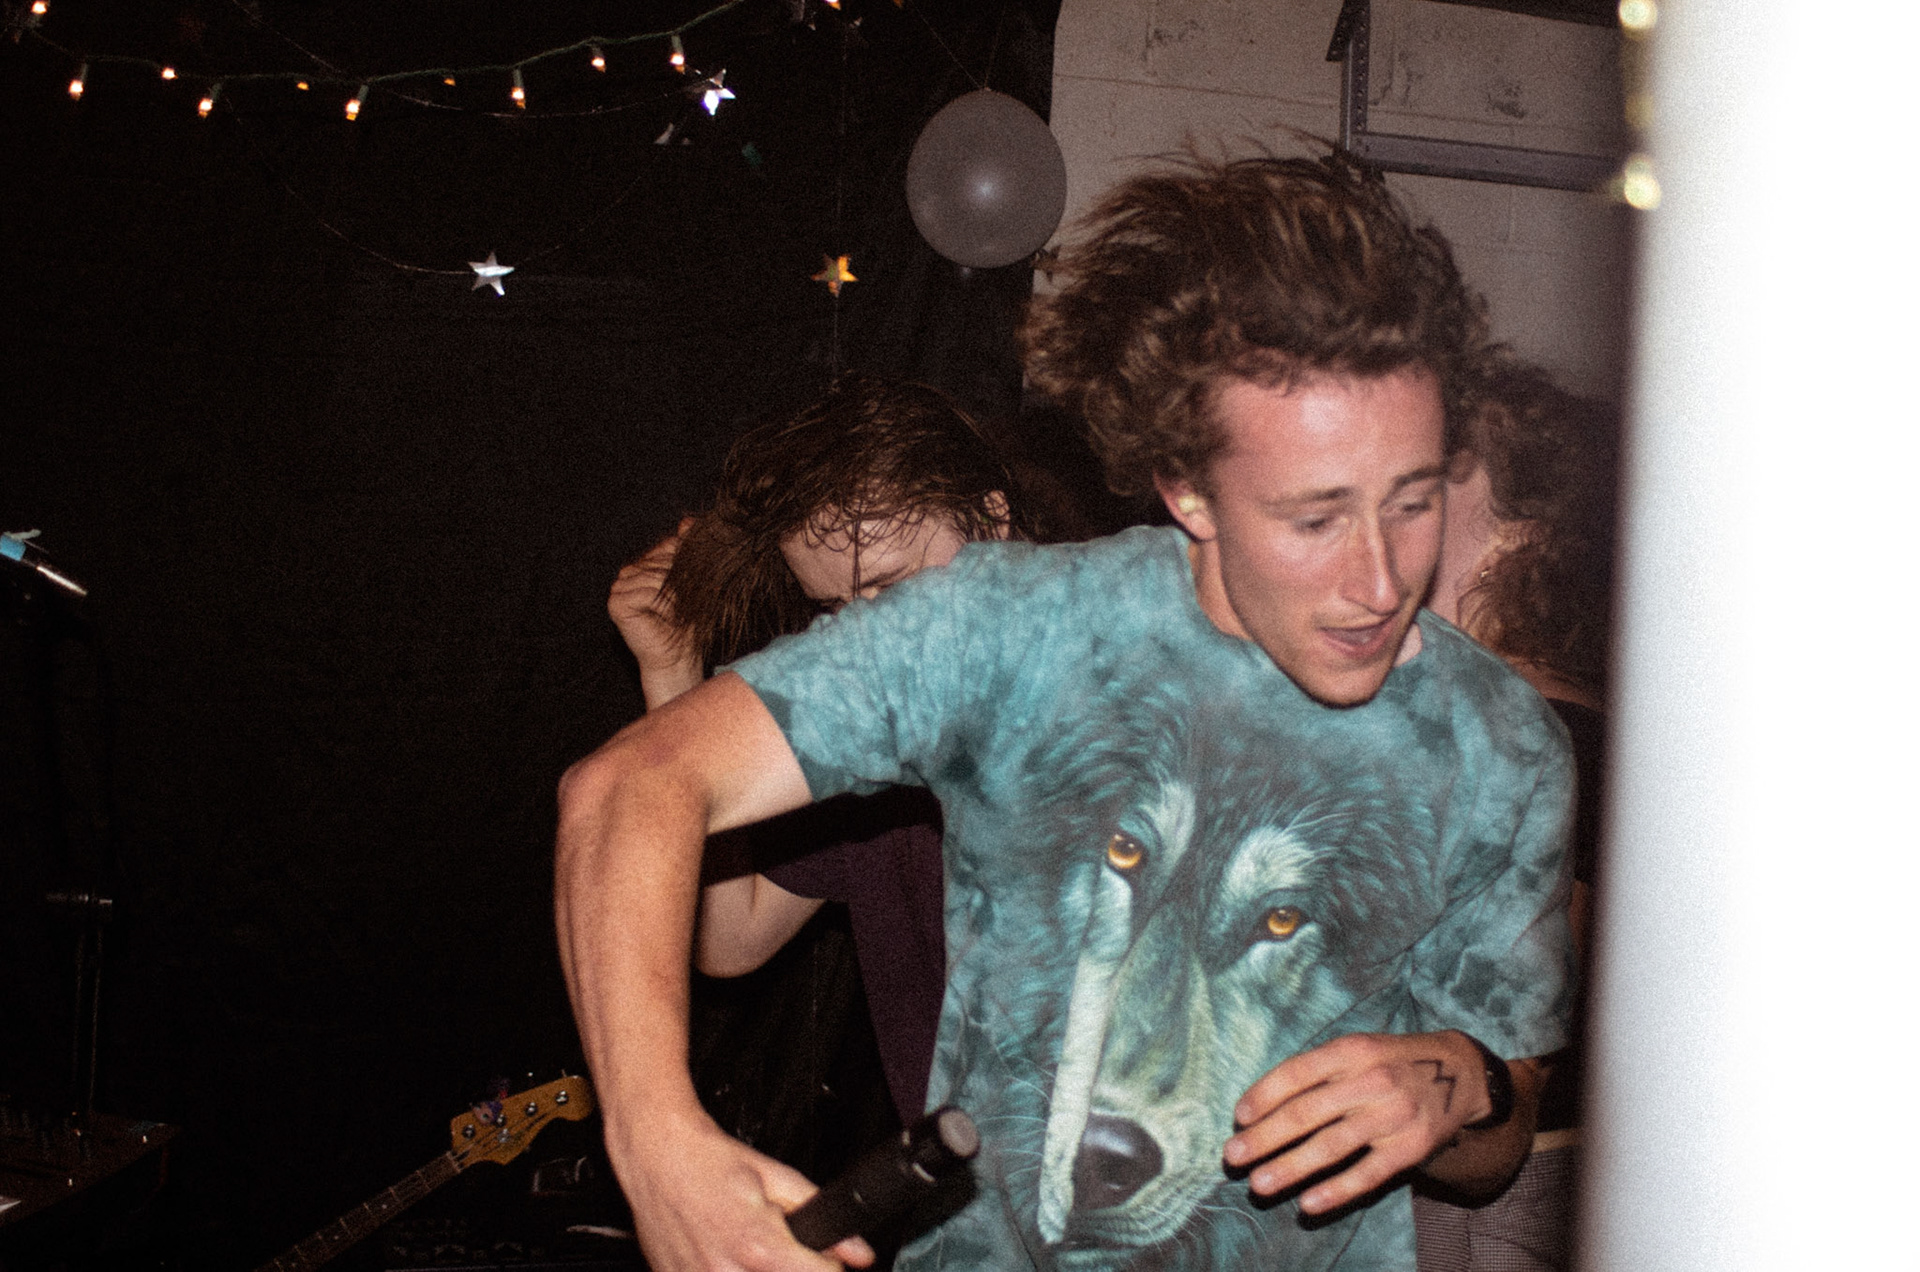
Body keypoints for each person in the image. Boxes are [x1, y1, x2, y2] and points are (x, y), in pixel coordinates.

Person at [555, 151, 1575, 1272]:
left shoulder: (1503, 743)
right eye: (1313, 519)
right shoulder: (1008, 629)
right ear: (1189, 490)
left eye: (1413, 502)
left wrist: (1459, 1084)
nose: (1380, 582)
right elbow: (631, 786)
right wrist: (658, 1142)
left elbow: (1502, 1136)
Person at [606, 376, 1025, 1124]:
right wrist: (673, 677)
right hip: (973, 1183)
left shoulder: (1128, 671)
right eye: (833, 606)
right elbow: (730, 938)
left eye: (891, 587)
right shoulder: (865, 732)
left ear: (991, 521)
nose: (863, 635)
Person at [1415, 363, 1619, 1272]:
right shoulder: (1585, 728)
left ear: (1517, 541)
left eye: (1431, 480)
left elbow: (1508, 1053)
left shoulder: (1530, 739)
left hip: (1490, 1207)